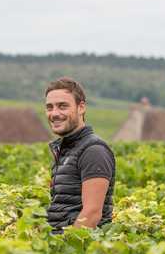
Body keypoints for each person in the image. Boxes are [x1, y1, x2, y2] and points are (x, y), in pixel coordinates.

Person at [44, 77, 115, 232]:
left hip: (76, 250)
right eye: (50, 107)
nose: (54, 113)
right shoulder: (65, 149)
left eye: (62, 106)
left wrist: (65, 248)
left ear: (81, 107)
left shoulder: (94, 151)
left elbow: (91, 214)